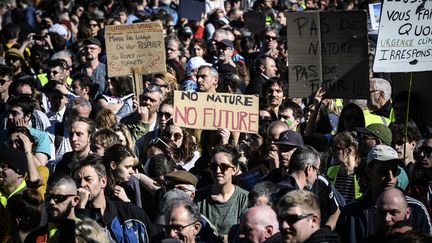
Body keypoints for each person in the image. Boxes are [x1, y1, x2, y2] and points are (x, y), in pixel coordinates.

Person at [336, 145, 432, 243]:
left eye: (395, 171)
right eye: (383, 171)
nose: (390, 177)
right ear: (369, 172)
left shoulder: (416, 208)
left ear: (407, 212)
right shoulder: (351, 212)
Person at [73, 155, 153, 242]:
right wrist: (80, 210)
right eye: (78, 181)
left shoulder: (130, 213)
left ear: (103, 181)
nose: (82, 184)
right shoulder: (72, 215)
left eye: (88, 179)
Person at [195, 145, 249, 239]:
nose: (218, 171)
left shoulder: (244, 198)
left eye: (224, 166)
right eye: (213, 166)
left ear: (235, 169)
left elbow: (246, 233)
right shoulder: (198, 197)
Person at [25, 173, 81, 242]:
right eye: (48, 197)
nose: (51, 202)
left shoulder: (88, 234)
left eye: (59, 198)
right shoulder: (34, 237)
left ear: (75, 200)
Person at [327, 131, 362, 202]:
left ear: (349, 150)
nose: (333, 152)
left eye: (336, 149)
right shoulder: (331, 171)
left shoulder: (362, 173)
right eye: (332, 149)